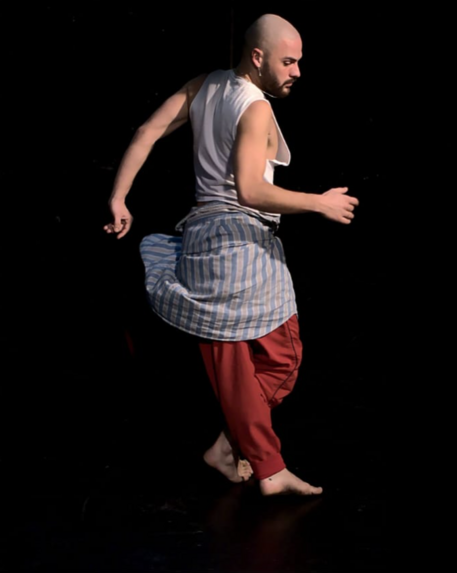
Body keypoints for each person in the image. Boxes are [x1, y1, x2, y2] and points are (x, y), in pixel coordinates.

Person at [104, 13, 358, 496]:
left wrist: (119, 198)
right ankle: (267, 467)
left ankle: (232, 448)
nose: (297, 71)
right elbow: (250, 191)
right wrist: (319, 203)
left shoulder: (203, 86)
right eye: (288, 62)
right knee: (278, 358)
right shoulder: (255, 107)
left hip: (201, 243)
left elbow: (146, 131)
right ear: (257, 57)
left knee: (239, 365)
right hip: (238, 241)